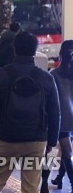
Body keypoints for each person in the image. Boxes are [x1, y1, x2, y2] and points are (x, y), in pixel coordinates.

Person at [0, 32, 60, 193]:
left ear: (14, 49)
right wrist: (51, 141)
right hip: (36, 139)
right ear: (35, 50)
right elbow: (55, 113)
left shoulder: (1, 75)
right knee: (31, 187)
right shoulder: (46, 78)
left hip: (7, 137)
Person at [45, 40, 73, 190]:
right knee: (66, 152)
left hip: (62, 120)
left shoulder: (53, 74)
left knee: (66, 153)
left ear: (61, 55)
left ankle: (64, 180)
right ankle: (60, 179)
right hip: (70, 119)